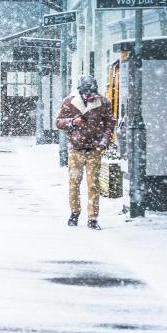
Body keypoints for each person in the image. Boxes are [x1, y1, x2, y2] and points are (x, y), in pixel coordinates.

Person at [56, 75, 115, 230]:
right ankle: (74, 213)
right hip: (75, 148)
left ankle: (92, 218)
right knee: (74, 182)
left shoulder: (103, 102)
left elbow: (110, 123)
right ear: (80, 91)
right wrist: (72, 122)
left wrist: (104, 142)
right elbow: (58, 122)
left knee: (93, 184)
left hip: (94, 149)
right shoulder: (69, 102)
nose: (89, 96)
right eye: (86, 93)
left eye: (92, 92)